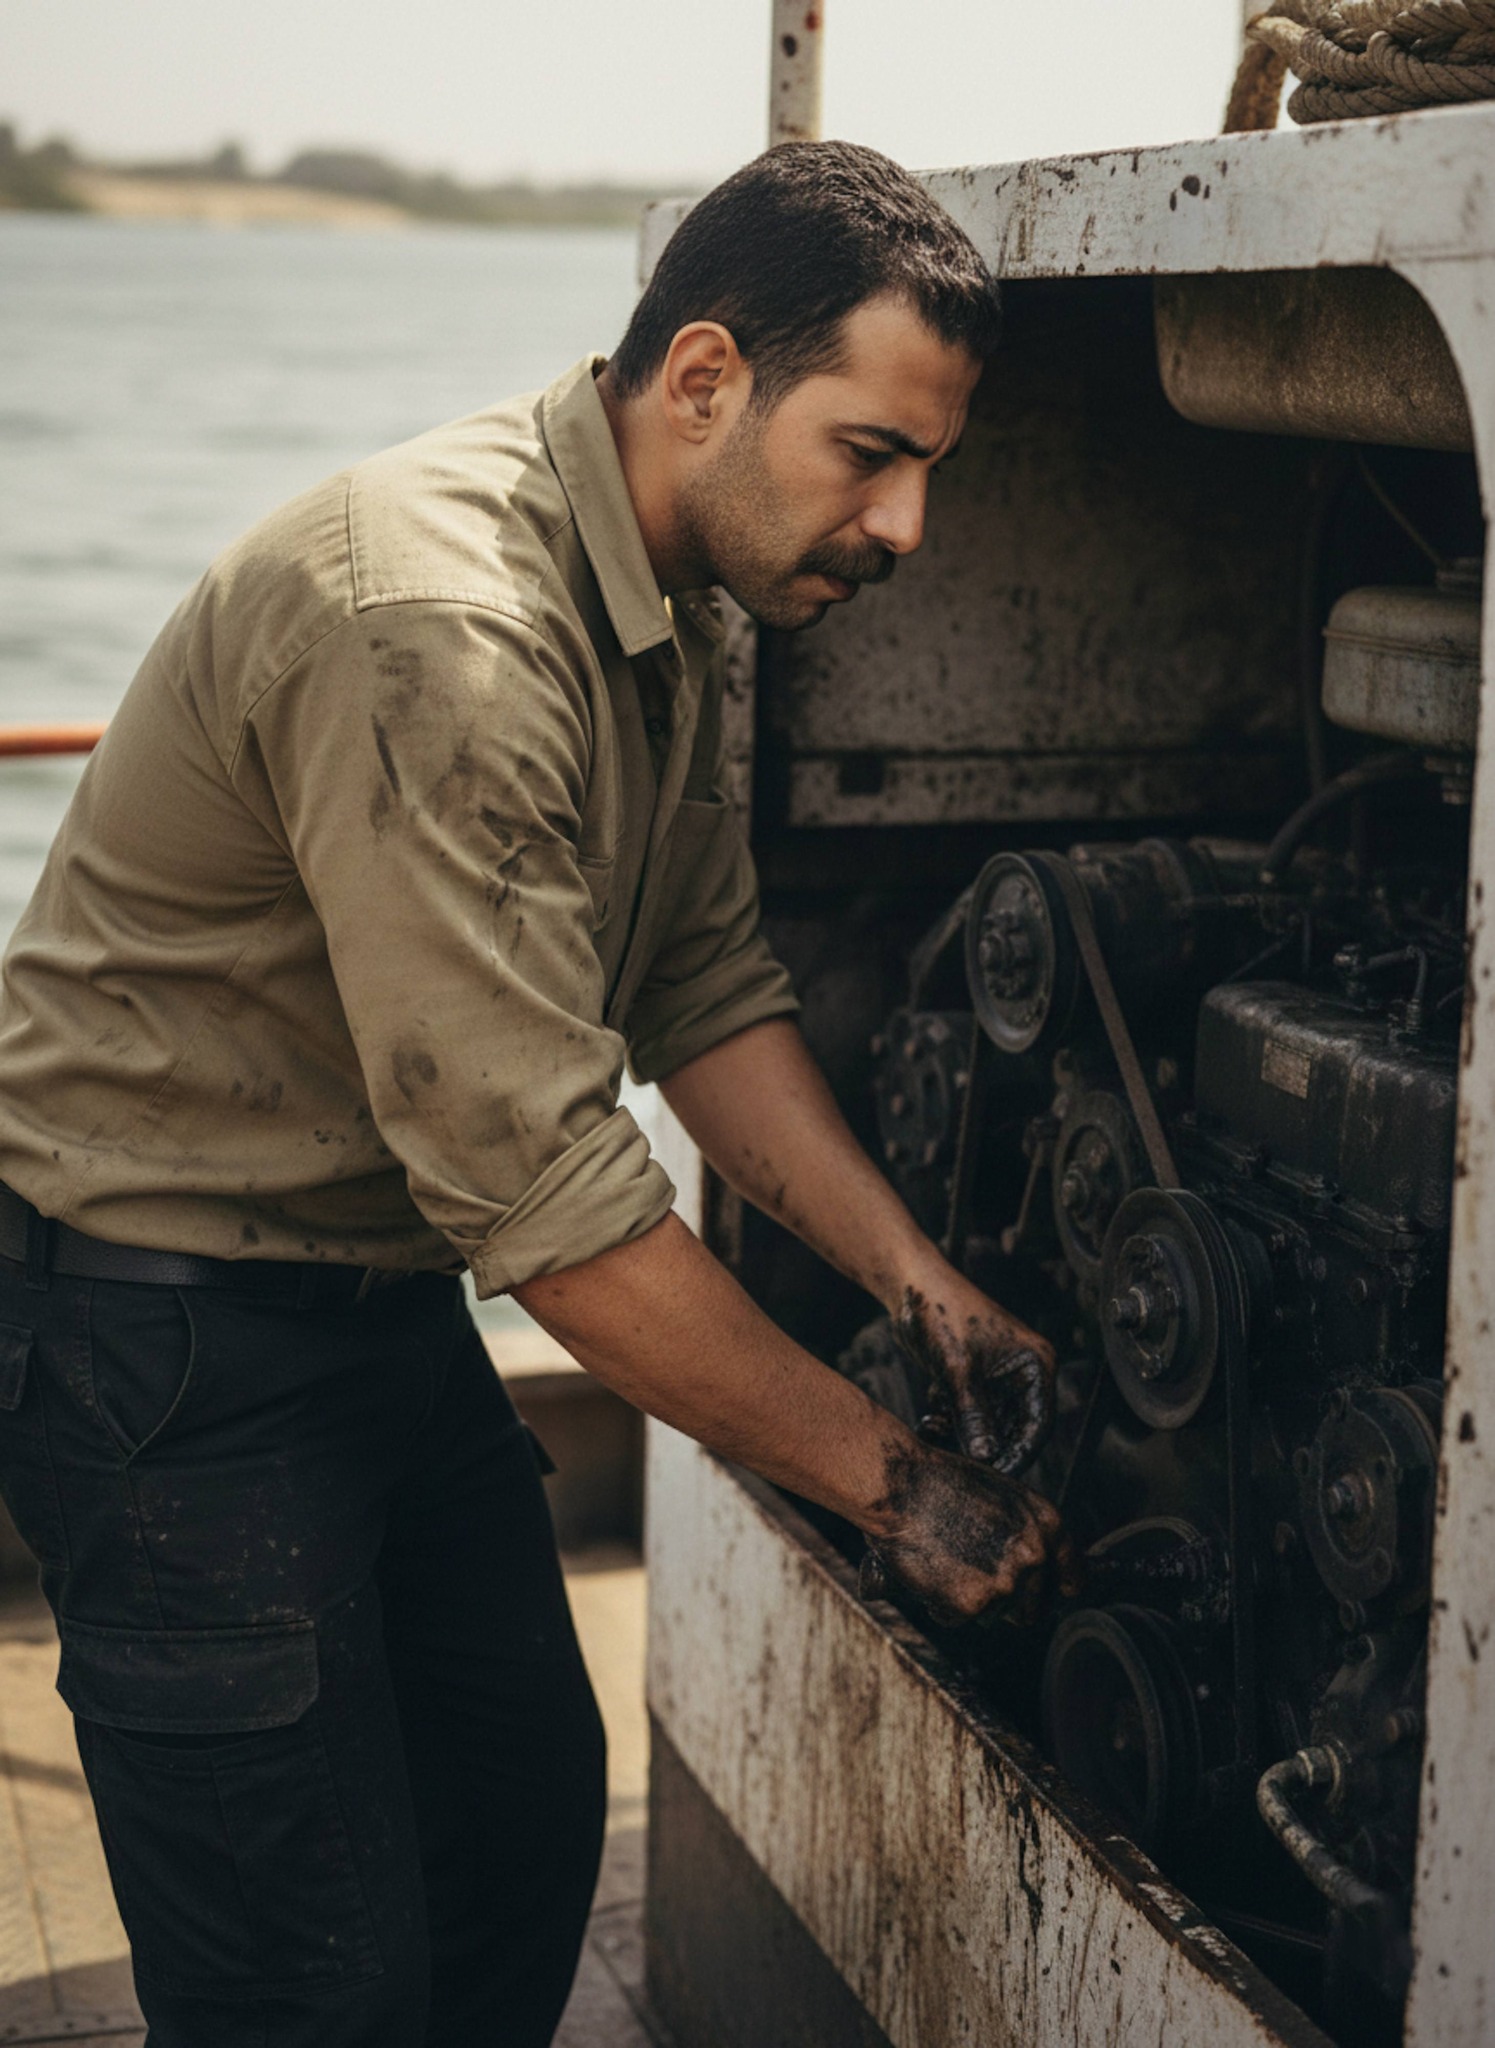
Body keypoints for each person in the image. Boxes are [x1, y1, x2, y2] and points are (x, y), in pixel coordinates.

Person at [0, 141, 1075, 2047]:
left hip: (369, 1304)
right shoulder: (441, 626)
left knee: (510, 1826)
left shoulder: (665, 611)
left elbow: (702, 992)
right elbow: (556, 1209)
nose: (909, 530)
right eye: (871, 455)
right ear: (704, 379)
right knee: (303, 1987)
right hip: (162, 1342)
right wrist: (905, 1496)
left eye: (933, 470)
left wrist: (929, 1292)